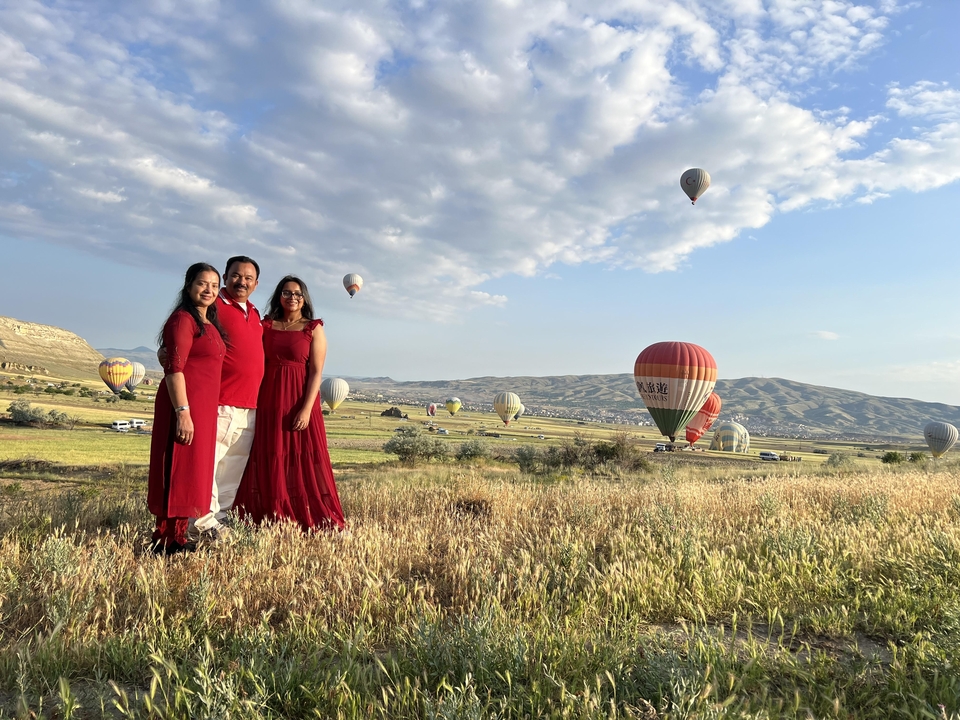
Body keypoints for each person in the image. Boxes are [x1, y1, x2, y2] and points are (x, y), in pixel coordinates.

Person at [157, 255, 265, 537]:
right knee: (208, 467)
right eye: (236, 276)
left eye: (248, 277)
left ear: (256, 283)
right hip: (218, 402)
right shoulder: (210, 306)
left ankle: (221, 518)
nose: (241, 281)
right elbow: (175, 350)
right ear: (227, 277)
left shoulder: (253, 314)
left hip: (248, 404)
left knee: (232, 467)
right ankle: (202, 522)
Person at [233, 275, 345, 530]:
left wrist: (306, 409)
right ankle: (270, 512)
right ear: (278, 296)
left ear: (304, 298)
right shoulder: (266, 325)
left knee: (299, 456)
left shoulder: (313, 327)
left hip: (299, 400)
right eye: (286, 293)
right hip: (268, 397)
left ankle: (302, 513)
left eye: (297, 293)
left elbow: (316, 372)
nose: (292, 297)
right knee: (269, 452)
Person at [148, 263, 227, 553]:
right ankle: (165, 540)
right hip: (183, 406)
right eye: (202, 284)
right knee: (176, 468)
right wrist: (183, 412)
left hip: (203, 409)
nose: (208, 290)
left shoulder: (208, 323)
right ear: (188, 286)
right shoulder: (183, 320)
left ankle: (178, 536)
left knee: (192, 471)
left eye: (214, 286)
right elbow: (175, 369)